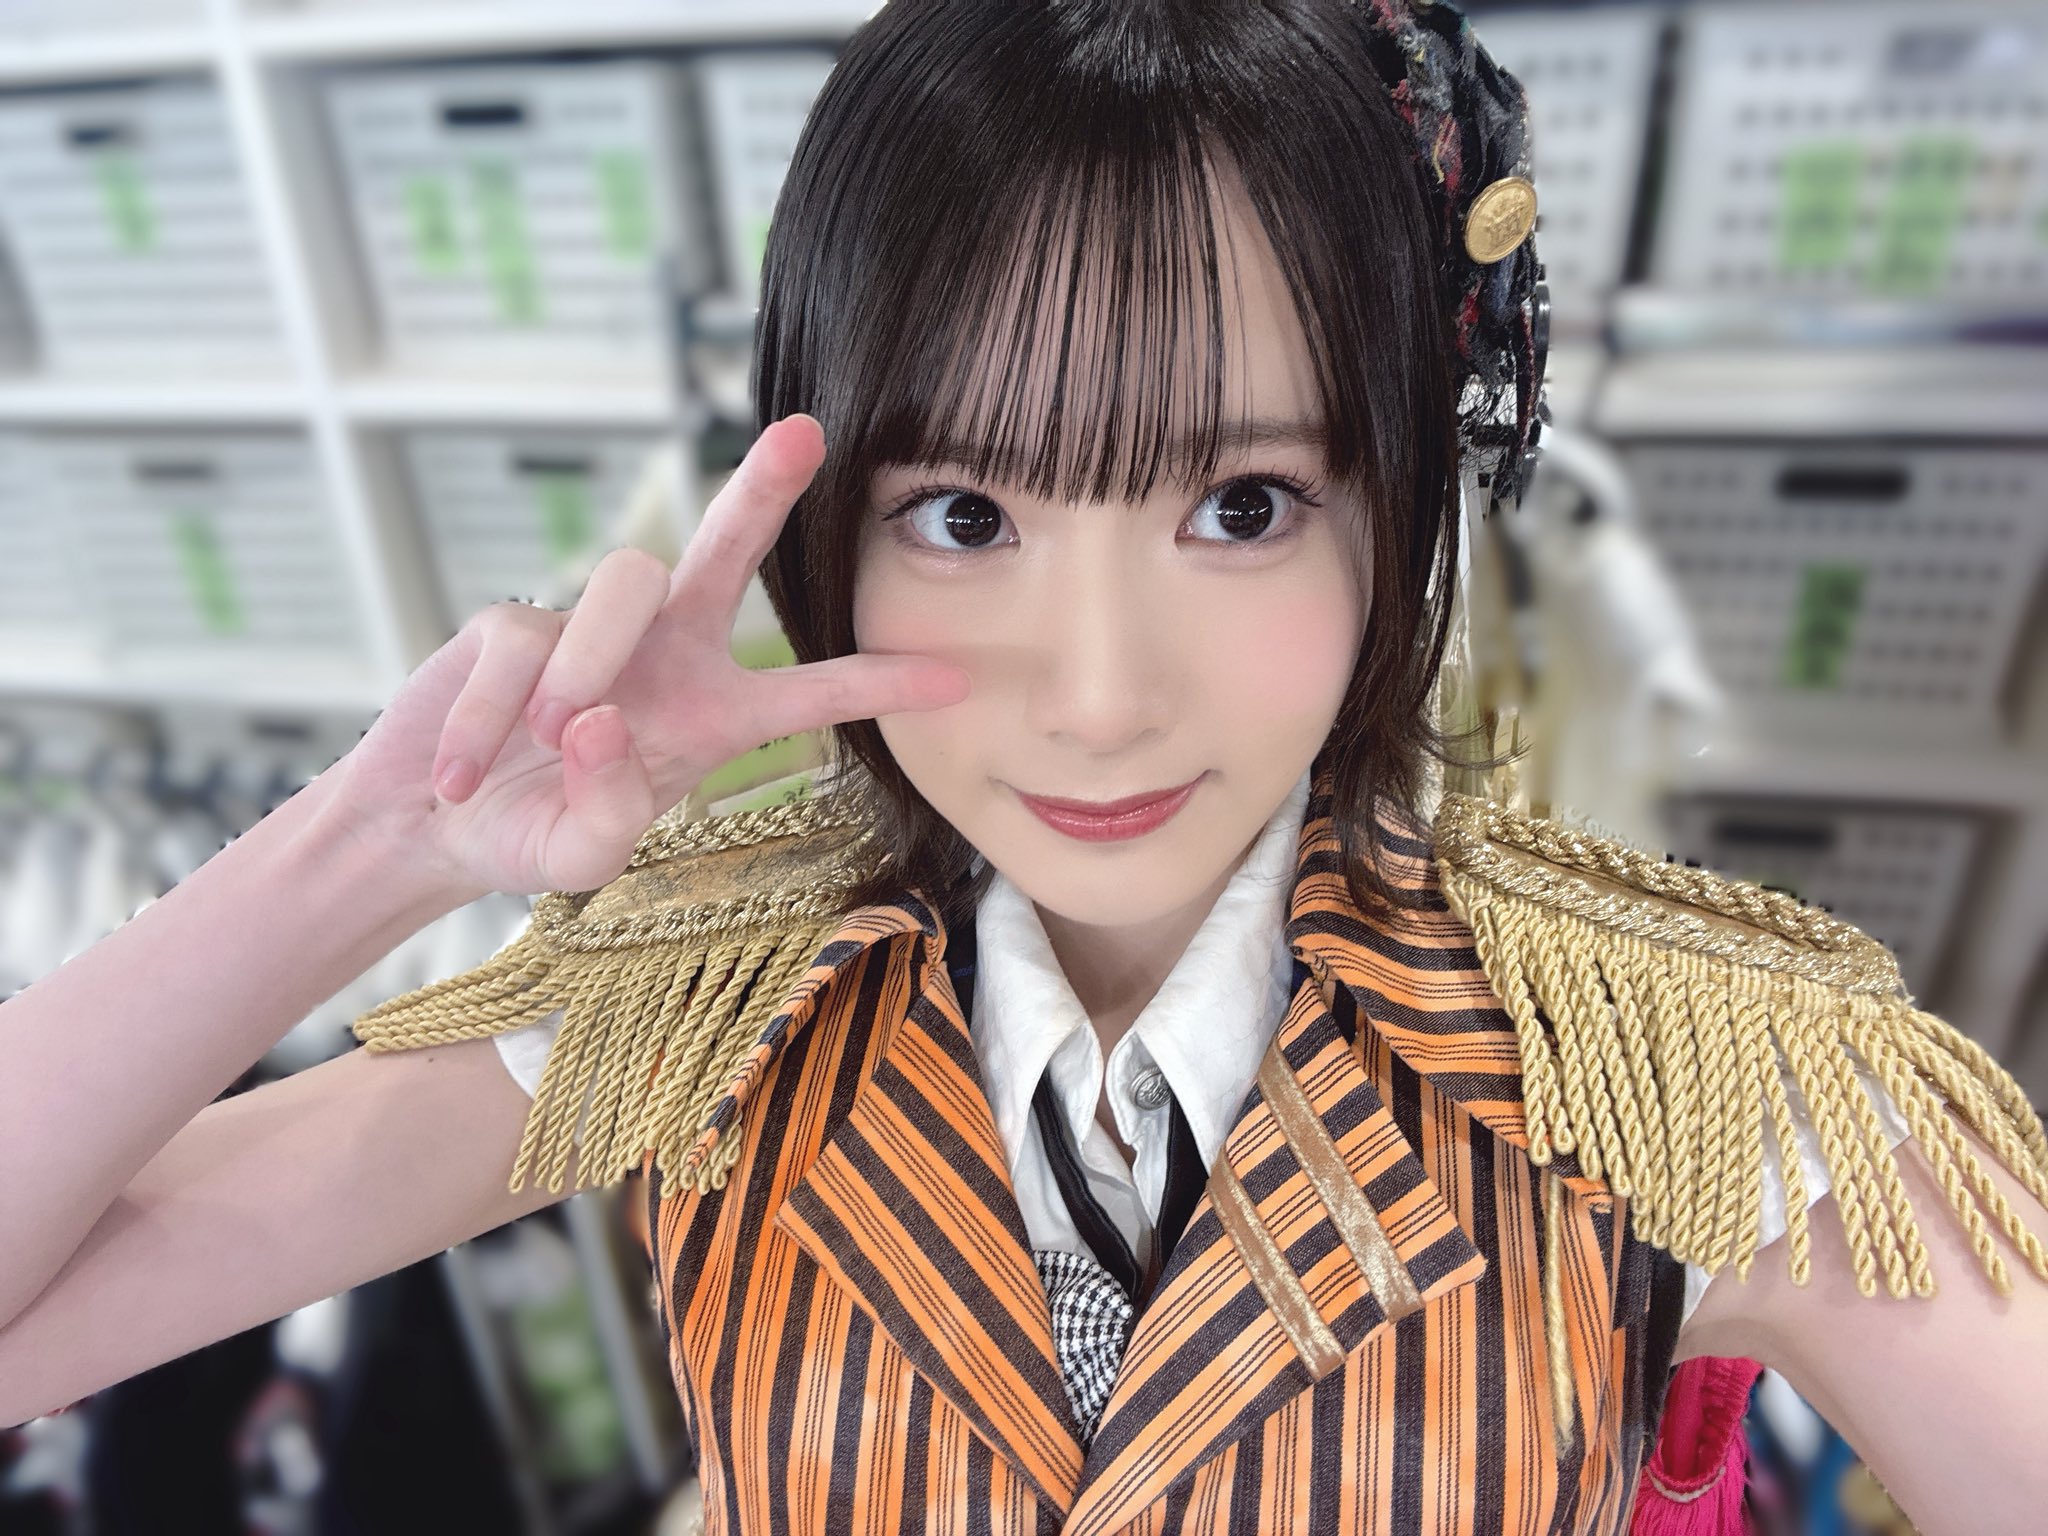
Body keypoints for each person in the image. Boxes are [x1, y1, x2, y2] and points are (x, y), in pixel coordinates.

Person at [3, 2, 2045, 1532]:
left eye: (1241, 506)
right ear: (829, 522)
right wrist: (391, 839)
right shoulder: (704, 1014)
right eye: (967, 516)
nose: (1096, 696)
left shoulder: (1689, 1080)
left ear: (1398, 511)